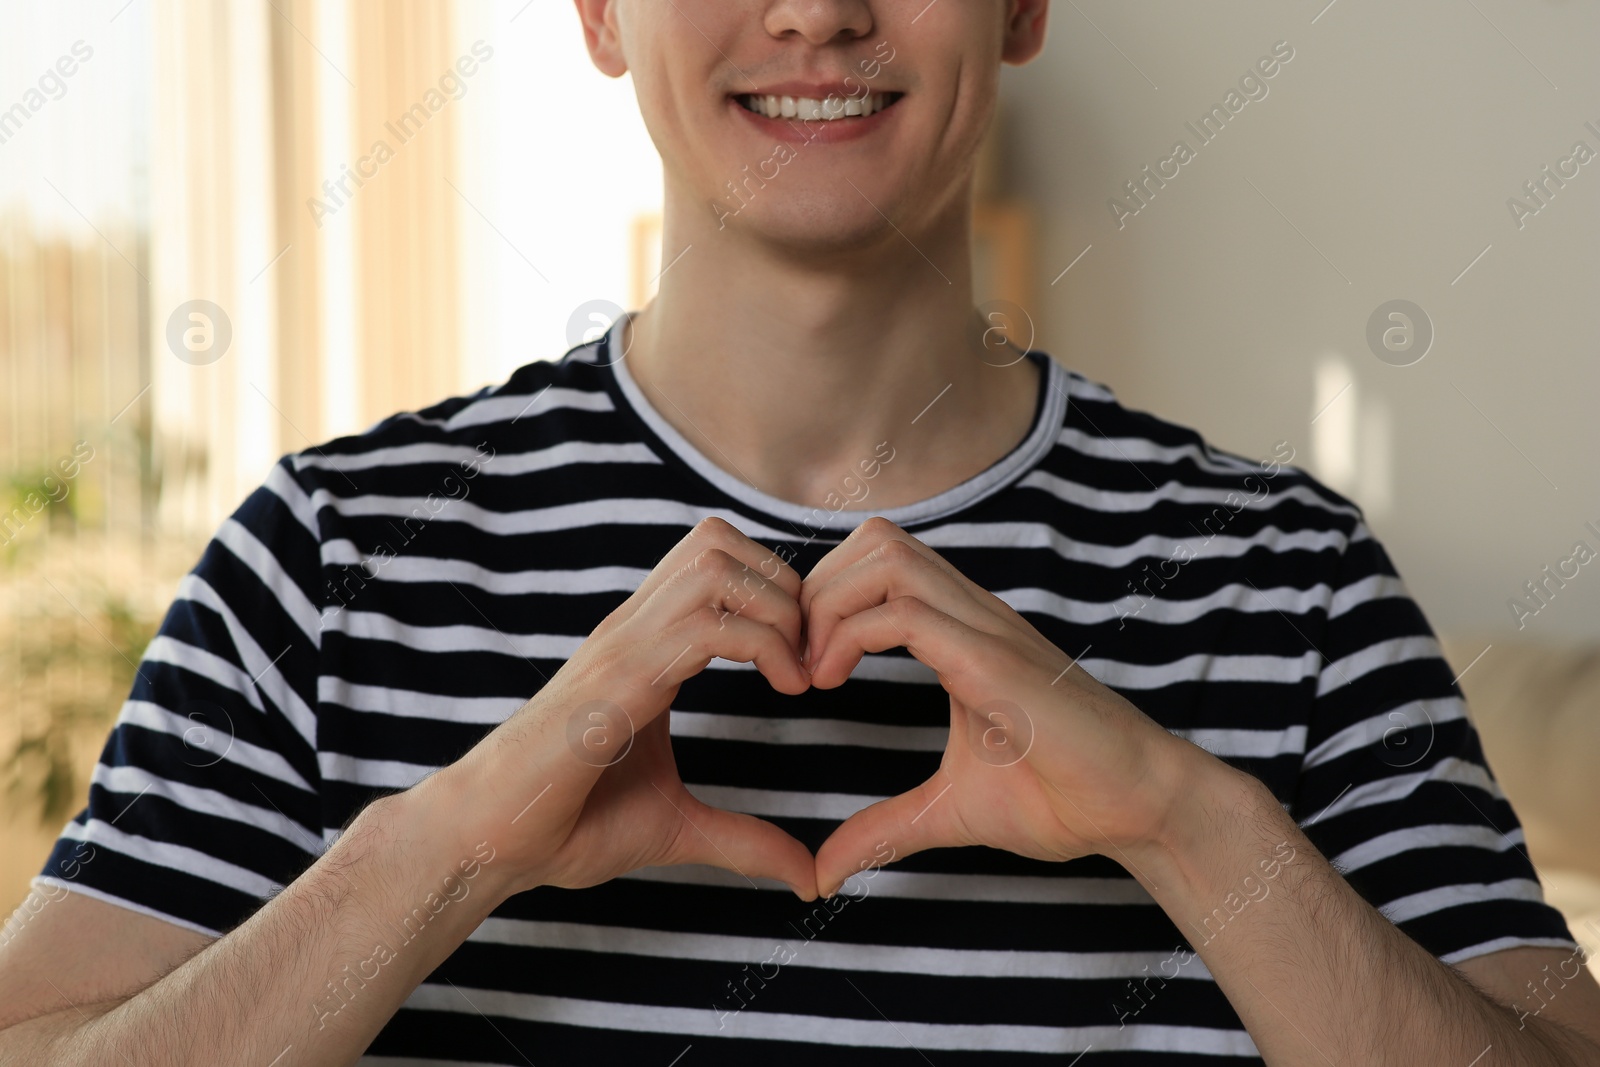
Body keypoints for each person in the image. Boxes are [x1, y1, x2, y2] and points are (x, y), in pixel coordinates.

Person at [3, 1, 1598, 1063]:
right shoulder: (328, 559)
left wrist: (1188, 821)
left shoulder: (1292, 583)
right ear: (603, 10)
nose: (817, 7)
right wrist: (451, 849)